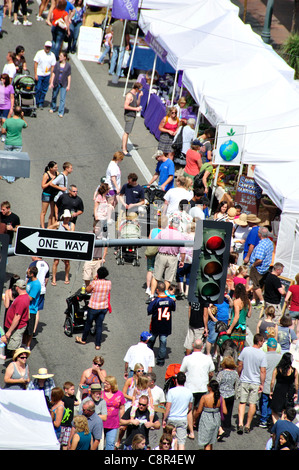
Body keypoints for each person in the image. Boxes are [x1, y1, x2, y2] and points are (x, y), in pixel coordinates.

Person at [180, 338, 215, 436]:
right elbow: (211, 372)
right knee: (198, 408)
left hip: (190, 387)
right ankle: (194, 423)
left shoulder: (187, 358)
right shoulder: (207, 358)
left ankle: (190, 430)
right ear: (202, 347)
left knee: (189, 409)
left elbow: (182, 371)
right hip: (203, 387)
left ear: (193, 346)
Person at [149, 218, 187, 300]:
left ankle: (151, 295)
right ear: (178, 225)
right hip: (172, 258)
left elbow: (154, 242)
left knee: (156, 276)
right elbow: (183, 251)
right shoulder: (180, 235)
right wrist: (182, 261)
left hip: (161, 255)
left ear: (170, 223)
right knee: (168, 278)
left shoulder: (163, 232)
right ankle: (163, 295)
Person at [236, 333, 267, 434]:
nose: (263, 343)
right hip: (255, 382)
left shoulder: (246, 350)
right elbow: (262, 371)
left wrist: (239, 374)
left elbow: (240, 364)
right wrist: (262, 384)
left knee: (242, 402)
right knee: (252, 403)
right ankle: (248, 425)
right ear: (259, 341)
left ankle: (240, 423)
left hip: (245, 380)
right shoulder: (262, 354)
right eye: (262, 341)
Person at [75, 266, 111, 350]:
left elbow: (87, 290)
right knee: (99, 325)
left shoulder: (95, 283)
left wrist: (94, 280)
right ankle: (97, 344)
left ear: (98, 274)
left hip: (94, 307)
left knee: (88, 323)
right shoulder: (109, 283)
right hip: (103, 307)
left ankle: (83, 339)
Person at [147, 281, 176, 366]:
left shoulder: (155, 301)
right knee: (163, 342)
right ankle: (160, 361)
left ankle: (148, 357)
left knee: (151, 341)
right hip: (165, 326)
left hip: (155, 325)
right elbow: (173, 308)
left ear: (157, 290)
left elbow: (149, 311)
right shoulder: (170, 301)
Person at [162, 371, 193, 450]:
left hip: (172, 418)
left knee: (169, 440)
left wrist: (164, 419)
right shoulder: (189, 392)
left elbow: (168, 407)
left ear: (176, 380)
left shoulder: (171, 392)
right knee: (181, 442)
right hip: (182, 419)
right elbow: (190, 407)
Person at [195, 379, 227, 450]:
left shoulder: (204, 397)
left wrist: (194, 420)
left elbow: (199, 411)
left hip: (206, 419)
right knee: (211, 441)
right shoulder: (220, 398)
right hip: (216, 419)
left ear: (210, 388)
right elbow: (225, 411)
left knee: (207, 442)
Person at [258, 338, 281, 428]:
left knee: (264, 401)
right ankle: (269, 419)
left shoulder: (264, 356)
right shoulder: (280, 357)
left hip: (266, 382)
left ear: (268, 346)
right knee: (272, 403)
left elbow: (261, 370)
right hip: (276, 384)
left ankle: (264, 419)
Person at [2, 279, 29, 356]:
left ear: (17, 287)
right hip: (16, 327)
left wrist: (9, 331)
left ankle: (15, 364)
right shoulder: (25, 296)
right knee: (12, 346)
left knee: (15, 350)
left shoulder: (21, 300)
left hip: (16, 328)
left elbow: (17, 317)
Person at [270, 352, 298, 422]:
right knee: (285, 411)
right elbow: (296, 384)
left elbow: (272, 382)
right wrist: (296, 392)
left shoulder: (277, 369)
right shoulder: (294, 371)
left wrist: (271, 391)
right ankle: (282, 425)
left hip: (278, 390)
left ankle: (277, 425)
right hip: (289, 391)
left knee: (274, 410)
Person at [249, 226, 274, 307]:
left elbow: (259, 259)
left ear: (260, 234)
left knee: (255, 285)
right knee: (259, 283)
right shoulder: (269, 242)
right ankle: (254, 298)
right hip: (266, 267)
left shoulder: (261, 246)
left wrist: (253, 265)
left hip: (258, 267)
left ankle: (261, 300)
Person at [216, 356, 240, 436]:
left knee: (220, 412)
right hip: (231, 395)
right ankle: (226, 429)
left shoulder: (221, 373)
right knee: (228, 412)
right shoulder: (235, 373)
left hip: (222, 395)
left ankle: (220, 428)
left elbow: (217, 383)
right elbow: (237, 384)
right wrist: (236, 395)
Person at [101, 376, 126, 450]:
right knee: (99, 444)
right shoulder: (101, 393)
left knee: (111, 443)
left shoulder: (119, 394)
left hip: (113, 424)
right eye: (104, 383)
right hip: (101, 423)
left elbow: (122, 408)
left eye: (107, 384)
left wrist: (122, 419)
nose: (105, 385)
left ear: (112, 384)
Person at [227, 283, 252, 354]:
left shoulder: (236, 302)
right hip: (243, 328)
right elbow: (249, 315)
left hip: (236, 327)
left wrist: (230, 329)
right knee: (240, 349)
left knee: (232, 348)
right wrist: (250, 306)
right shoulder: (247, 301)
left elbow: (236, 316)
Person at [28, 256, 50, 337]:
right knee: (37, 310)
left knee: (30, 308)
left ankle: (28, 328)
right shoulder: (46, 264)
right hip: (42, 290)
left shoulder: (33, 264)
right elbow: (46, 279)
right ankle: (33, 331)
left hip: (32, 289)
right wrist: (43, 287)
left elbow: (28, 277)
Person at [122, 82, 143, 157]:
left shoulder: (135, 94)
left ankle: (125, 147)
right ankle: (124, 150)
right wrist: (135, 109)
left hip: (132, 115)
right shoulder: (129, 95)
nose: (140, 91)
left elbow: (137, 104)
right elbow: (125, 106)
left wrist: (140, 96)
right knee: (126, 132)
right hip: (129, 115)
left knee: (128, 132)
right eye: (139, 89)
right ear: (136, 88)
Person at [34, 41, 56, 110]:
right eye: (47, 47)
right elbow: (35, 64)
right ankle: (36, 101)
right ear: (44, 46)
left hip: (47, 75)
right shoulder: (39, 53)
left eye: (49, 48)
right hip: (39, 74)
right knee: (38, 88)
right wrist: (35, 74)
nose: (47, 49)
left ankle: (41, 102)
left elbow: (53, 67)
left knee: (44, 90)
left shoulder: (52, 55)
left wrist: (51, 77)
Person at [49, 51, 71, 118]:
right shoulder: (57, 64)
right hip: (56, 82)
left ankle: (61, 112)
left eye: (61, 56)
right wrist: (51, 82)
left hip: (63, 83)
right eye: (59, 55)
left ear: (65, 57)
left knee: (62, 98)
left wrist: (68, 85)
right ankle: (53, 107)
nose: (59, 57)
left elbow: (69, 76)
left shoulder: (68, 66)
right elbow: (54, 73)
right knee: (54, 96)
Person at [40, 161, 61, 229]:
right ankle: (42, 227)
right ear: (51, 168)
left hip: (54, 194)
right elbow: (43, 186)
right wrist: (50, 182)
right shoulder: (46, 174)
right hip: (46, 194)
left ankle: (50, 226)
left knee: (53, 212)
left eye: (57, 167)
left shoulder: (57, 173)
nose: (57, 168)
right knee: (44, 211)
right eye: (55, 167)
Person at [60, 381, 79, 450]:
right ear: (66, 390)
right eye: (72, 389)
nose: (73, 391)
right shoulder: (63, 398)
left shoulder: (73, 397)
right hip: (62, 423)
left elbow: (78, 402)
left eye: (74, 389)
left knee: (65, 442)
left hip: (69, 423)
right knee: (59, 441)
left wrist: (74, 403)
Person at [0, 73, 14, 143]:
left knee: (4, 121)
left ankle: (3, 134)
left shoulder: (10, 87)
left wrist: (11, 108)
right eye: (1, 78)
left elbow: (12, 98)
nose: (2, 80)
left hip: (6, 106)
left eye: (3, 79)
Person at [285, 273, 299, 337]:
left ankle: (290, 340)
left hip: (293, 309)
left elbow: (286, 299)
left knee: (291, 327)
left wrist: (288, 305)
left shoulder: (292, 287)